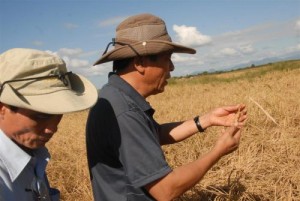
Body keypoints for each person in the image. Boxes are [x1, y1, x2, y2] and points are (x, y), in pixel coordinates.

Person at [86, 13, 247, 201]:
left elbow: (155, 133)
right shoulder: (124, 111)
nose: (171, 67)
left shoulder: (115, 97)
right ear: (140, 63)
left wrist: (207, 119)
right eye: (167, 59)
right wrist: (219, 150)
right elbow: (166, 190)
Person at [0, 48, 98, 201]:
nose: (52, 128)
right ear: (2, 108)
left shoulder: (33, 154)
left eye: (58, 116)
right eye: (40, 116)